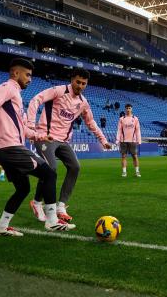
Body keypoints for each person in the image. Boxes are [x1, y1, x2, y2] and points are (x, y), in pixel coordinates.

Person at [0, 58, 74, 236]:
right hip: (11, 147)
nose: (30, 79)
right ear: (15, 73)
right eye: (27, 74)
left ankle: (1, 227)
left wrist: (41, 135)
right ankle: (52, 221)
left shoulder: (16, 95)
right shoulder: (7, 87)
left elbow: (23, 128)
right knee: (49, 173)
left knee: (23, 189)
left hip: (7, 148)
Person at [26, 68, 111, 222]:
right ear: (72, 80)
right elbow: (35, 100)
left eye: (84, 83)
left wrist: (103, 140)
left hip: (63, 141)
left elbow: (90, 122)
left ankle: (61, 206)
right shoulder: (58, 91)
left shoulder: (83, 103)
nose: (80, 86)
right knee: (51, 169)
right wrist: (31, 127)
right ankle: (37, 203)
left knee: (75, 167)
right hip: (46, 137)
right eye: (78, 82)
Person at [116, 104, 141, 177]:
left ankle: (137, 171)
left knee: (135, 156)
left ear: (131, 109)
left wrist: (139, 140)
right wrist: (117, 140)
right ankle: (124, 172)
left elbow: (138, 130)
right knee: (123, 156)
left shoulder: (135, 118)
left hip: (132, 141)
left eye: (129, 108)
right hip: (123, 141)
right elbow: (119, 130)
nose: (128, 109)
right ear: (125, 109)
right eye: (127, 108)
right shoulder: (121, 119)